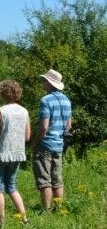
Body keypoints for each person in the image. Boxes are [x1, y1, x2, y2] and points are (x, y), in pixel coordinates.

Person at [0, 80, 31, 227]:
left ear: (2, 93)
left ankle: (1, 222)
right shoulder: (24, 111)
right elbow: (27, 137)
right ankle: (24, 219)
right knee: (12, 187)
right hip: (17, 153)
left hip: (0, 154)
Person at [33, 69, 72, 210]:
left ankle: (47, 210)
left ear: (50, 83)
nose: (42, 83)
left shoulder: (45, 100)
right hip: (59, 144)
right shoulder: (67, 100)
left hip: (45, 144)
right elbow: (68, 126)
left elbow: (44, 126)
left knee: (44, 180)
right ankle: (59, 208)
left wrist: (36, 141)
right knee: (57, 179)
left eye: (44, 81)